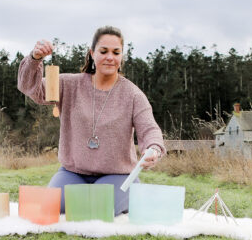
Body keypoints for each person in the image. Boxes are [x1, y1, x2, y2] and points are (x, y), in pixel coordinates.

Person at [18, 26, 166, 215]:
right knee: (52, 208)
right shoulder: (69, 85)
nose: (110, 57)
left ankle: (129, 193)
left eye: (116, 52)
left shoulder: (133, 95)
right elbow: (29, 87)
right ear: (92, 53)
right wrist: (35, 59)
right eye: (103, 51)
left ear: (122, 56)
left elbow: (149, 129)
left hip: (117, 175)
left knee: (96, 210)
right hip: (73, 173)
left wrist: (153, 148)